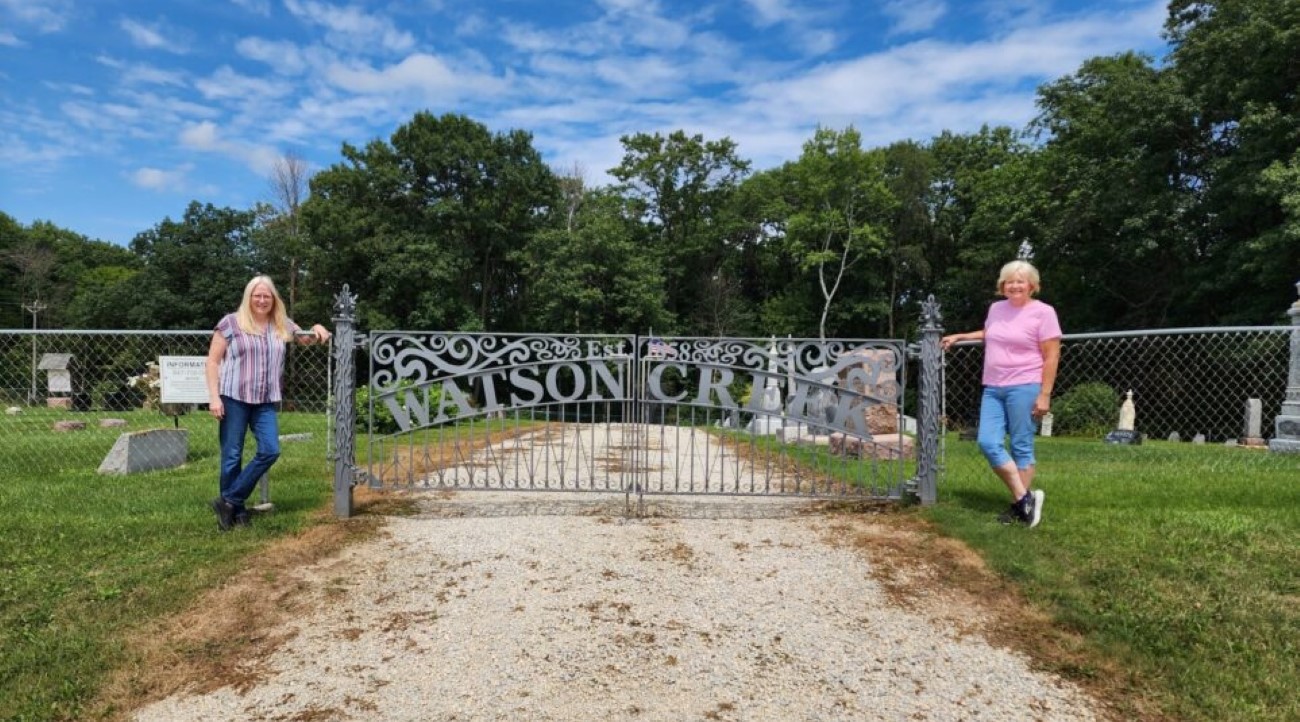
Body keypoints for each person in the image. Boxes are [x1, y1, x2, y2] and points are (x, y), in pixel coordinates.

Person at [205, 275, 331, 531]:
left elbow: (305, 338)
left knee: (270, 450)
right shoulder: (231, 323)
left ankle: (228, 501)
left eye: (267, 296)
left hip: (264, 400)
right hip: (233, 397)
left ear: (274, 299)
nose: (262, 300)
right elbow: (212, 362)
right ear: (248, 297)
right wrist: (214, 397)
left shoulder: (281, 323)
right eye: (257, 295)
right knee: (232, 456)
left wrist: (318, 328)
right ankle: (235, 516)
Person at [941, 260, 1061, 528]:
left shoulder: (1043, 312)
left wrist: (1045, 394)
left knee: (1021, 445)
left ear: (1032, 285)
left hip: (1025, 385)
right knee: (988, 442)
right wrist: (960, 336)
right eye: (1009, 281)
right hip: (993, 387)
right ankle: (1025, 498)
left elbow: (1052, 355)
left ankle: (1018, 508)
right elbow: (992, 333)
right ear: (1002, 286)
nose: (1015, 286)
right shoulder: (996, 308)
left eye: (1020, 281)